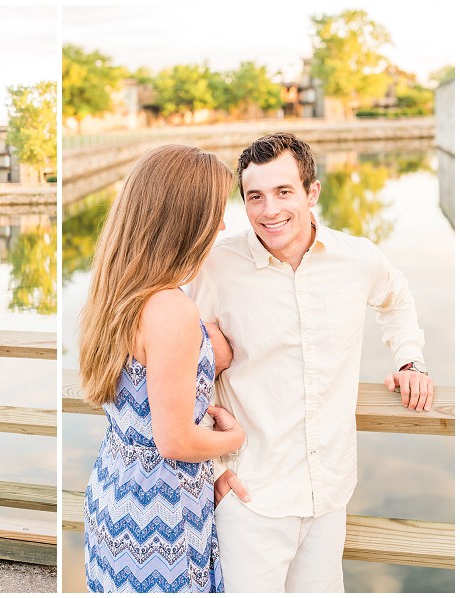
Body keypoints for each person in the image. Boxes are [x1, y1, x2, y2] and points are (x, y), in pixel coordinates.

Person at [186, 132, 434, 592]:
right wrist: (215, 472)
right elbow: (181, 364)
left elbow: (397, 298)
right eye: (254, 197)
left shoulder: (356, 259)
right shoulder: (215, 266)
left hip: (330, 491)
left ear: (312, 192)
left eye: (284, 192)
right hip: (249, 495)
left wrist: (410, 360)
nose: (269, 210)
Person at [80, 145, 245, 593]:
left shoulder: (118, 292)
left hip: (115, 491)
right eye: (216, 214)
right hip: (160, 515)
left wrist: (208, 348)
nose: (224, 225)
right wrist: (234, 439)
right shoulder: (172, 309)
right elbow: (175, 441)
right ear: (186, 221)